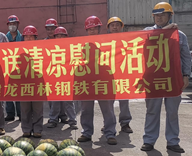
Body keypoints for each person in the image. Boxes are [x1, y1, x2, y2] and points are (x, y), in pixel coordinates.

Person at [142, 2, 192, 153]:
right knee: (152, 110)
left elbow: (186, 57)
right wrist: (165, 30)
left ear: (170, 16)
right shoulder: (147, 31)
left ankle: (172, 141)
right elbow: (144, 41)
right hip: (153, 78)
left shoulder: (179, 35)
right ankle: (149, 140)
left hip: (173, 79)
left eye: (162, 15)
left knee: (172, 112)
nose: (159, 18)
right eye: (156, 15)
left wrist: (186, 75)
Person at [77, 16, 117, 145]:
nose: (92, 31)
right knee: (86, 109)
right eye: (90, 29)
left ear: (99, 29)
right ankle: (86, 132)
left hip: (102, 77)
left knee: (107, 109)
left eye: (94, 28)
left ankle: (110, 133)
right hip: (86, 77)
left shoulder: (106, 42)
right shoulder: (82, 43)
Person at [47, 26, 78, 130]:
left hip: (67, 78)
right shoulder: (50, 48)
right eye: (58, 36)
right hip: (54, 77)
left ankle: (72, 121)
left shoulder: (71, 48)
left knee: (68, 101)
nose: (60, 38)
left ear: (66, 37)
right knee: (55, 100)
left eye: (62, 35)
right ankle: (53, 120)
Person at [107, 17, 132, 133]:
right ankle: (108, 123)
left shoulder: (127, 40)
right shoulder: (103, 41)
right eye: (112, 25)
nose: (115, 27)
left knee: (124, 101)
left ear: (121, 27)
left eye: (117, 25)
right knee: (108, 102)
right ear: (108, 28)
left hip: (123, 74)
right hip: (108, 75)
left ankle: (125, 123)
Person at [19, 26, 44, 137]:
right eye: (26, 36)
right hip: (24, 82)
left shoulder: (41, 50)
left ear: (35, 37)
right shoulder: (18, 50)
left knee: (38, 108)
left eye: (31, 36)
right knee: (25, 108)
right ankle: (26, 129)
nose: (29, 38)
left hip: (38, 82)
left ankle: (37, 129)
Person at [5, 15, 23, 122]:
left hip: (19, 67)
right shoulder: (4, 38)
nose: (12, 26)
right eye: (10, 24)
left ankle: (21, 113)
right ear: (8, 25)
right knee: (8, 91)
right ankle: (10, 114)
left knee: (19, 91)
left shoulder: (22, 37)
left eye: (14, 24)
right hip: (8, 67)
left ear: (17, 24)